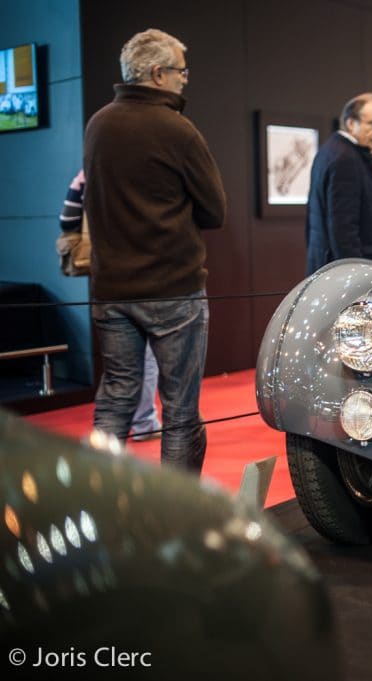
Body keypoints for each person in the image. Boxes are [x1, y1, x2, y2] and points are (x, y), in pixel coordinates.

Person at [84, 28, 226, 472]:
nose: (185, 80)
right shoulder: (178, 129)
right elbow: (214, 211)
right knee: (180, 411)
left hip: (110, 289)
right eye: (181, 71)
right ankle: (176, 519)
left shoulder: (98, 124)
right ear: (159, 73)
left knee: (115, 400)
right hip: (172, 289)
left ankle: (96, 503)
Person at [60, 170, 162, 441]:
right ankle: (145, 422)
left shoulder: (86, 174)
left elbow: (67, 219)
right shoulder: (143, 173)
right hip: (147, 275)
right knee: (149, 355)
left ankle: (108, 441)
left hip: (107, 280)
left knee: (119, 370)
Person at [305, 92, 372, 275]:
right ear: (351, 123)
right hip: (352, 275)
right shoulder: (345, 158)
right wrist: (357, 278)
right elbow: (343, 231)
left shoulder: (333, 150)